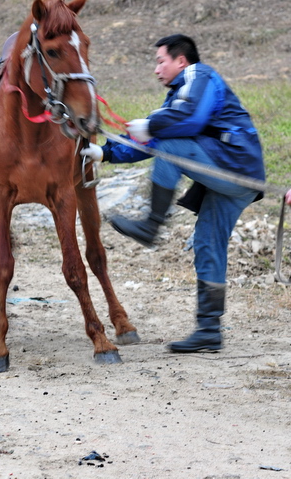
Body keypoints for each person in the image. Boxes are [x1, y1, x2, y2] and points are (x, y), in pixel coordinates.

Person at [81, 34, 265, 354]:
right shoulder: (176, 98)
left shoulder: (199, 75)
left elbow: (186, 120)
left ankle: (152, 225)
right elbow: (154, 140)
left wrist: (152, 125)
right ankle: (209, 330)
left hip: (234, 167)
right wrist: (104, 153)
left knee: (168, 145)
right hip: (231, 179)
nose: (156, 70)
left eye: (160, 61)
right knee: (207, 244)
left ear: (181, 61)